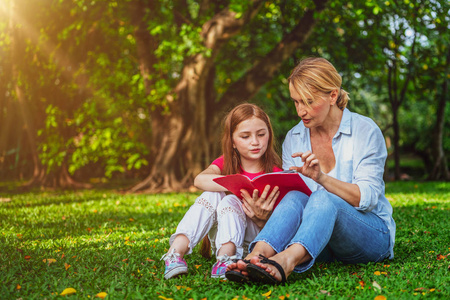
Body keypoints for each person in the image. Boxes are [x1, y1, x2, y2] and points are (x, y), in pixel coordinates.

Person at [225, 57, 396, 284]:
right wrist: (265, 214)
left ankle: (286, 261)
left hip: (370, 237)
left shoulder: (365, 131)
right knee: (295, 195)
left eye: (307, 101)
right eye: (296, 102)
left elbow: (366, 198)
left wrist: (321, 178)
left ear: (333, 96)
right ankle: (256, 256)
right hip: (318, 242)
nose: (300, 111)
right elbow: (293, 204)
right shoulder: (295, 138)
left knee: (324, 195)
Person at [161, 103, 283, 280]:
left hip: (256, 241)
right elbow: (200, 180)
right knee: (213, 194)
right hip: (224, 233)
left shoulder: (275, 172)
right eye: (245, 136)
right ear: (233, 142)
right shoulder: (226, 162)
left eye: (261, 134)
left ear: (269, 135)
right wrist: (237, 185)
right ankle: (175, 254)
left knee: (229, 200)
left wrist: (262, 217)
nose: (255, 141)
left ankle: (228, 257)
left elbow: (282, 225)